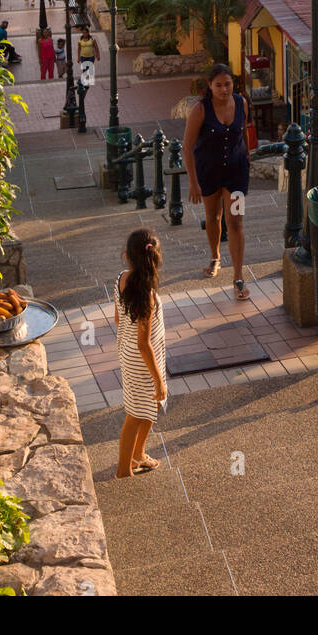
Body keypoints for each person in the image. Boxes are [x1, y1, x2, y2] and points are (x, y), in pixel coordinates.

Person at [183, 63, 252, 300]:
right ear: (210, 87)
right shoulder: (200, 110)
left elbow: (243, 132)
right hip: (208, 172)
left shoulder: (241, 103)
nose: (224, 89)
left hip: (237, 173)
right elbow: (187, 147)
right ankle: (215, 256)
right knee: (213, 217)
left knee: (236, 222)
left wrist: (248, 157)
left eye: (228, 84)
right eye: (219, 85)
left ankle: (239, 276)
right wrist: (193, 182)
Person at [114, 229, 167, 478]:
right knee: (136, 413)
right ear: (155, 258)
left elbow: (118, 318)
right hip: (143, 360)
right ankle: (124, 470)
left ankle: (139, 454)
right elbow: (143, 344)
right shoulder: (147, 295)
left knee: (150, 405)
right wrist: (158, 378)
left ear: (127, 256)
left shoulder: (121, 279)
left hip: (128, 353)